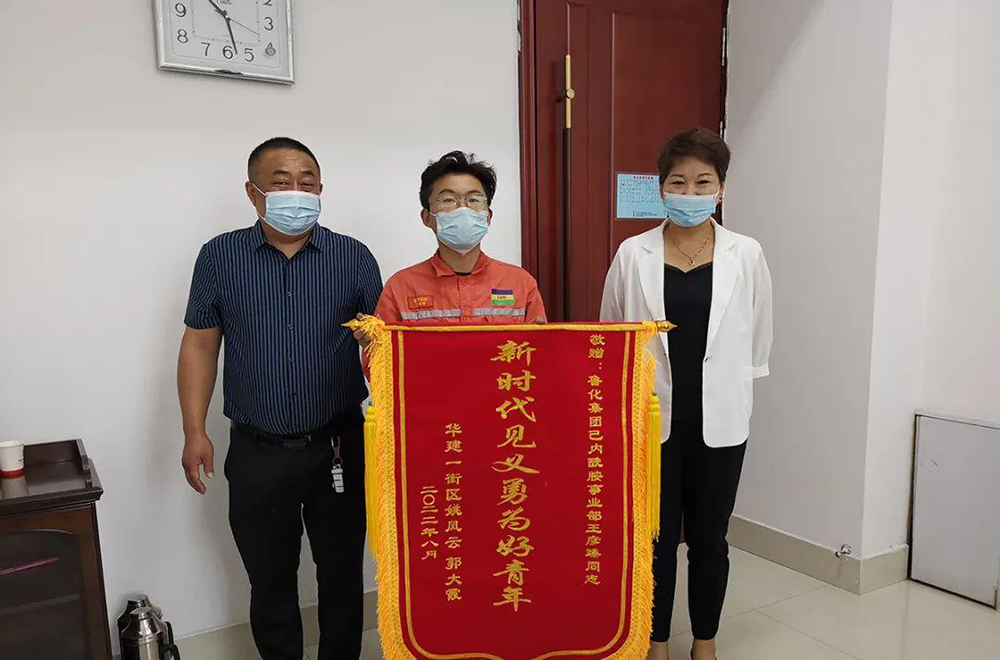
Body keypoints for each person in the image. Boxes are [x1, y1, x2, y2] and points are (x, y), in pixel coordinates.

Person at [178, 137, 382, 660]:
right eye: (281, 182)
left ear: (321, 190)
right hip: (257, 450)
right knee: (268, 578)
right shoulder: (219, 256)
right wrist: (194, 431)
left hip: (338, 446)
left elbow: (383, 347)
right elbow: (200, 344)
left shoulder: (354, 257)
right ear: (253, 193)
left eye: (307, 183)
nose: (297, 192)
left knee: (341, 574)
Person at [600, 128, 772, 660]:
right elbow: (612, 333)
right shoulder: (633, 253)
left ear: (721, 188)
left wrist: (737, 389)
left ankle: (704, 641)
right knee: (652, 539)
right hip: (651, 420)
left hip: (721, 421)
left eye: (703, 182)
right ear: (661, 188)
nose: (690, 193)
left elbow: (758, 334)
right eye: (679, 182)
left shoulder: (746, 253)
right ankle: (655, 642)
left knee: (709, 539)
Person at [358, 150, 545, 335]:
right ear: (427, 217)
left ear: (488, 216)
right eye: (448, 200)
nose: (463, 208)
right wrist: (370, 343)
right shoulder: (400, 287)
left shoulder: (521, 284)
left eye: (473, 199)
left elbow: (539, 350)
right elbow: (380, 353)